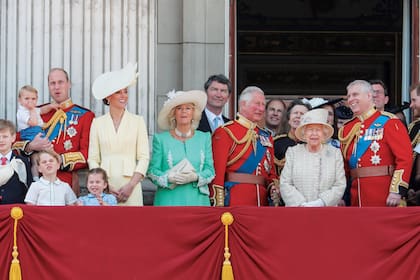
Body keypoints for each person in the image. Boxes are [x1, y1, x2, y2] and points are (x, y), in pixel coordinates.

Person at [13, 68, 95, 195]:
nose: (57, 87)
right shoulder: (35, 111)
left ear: (69, 84)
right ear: (48, 86)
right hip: (35, 183)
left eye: (60, 82)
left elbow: (87, 154)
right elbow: (12, 143)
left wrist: (58, 160)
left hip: (64, 182)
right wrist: (30, 146)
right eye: (52, 83)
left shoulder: (85, 116)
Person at [338, 80, 412, 207]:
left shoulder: (389, 122)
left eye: (355, 95)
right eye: (349, 96)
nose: (350, 99)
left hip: (384, 196)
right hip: (356, 197)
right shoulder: (347, 129)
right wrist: (341, 196)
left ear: (368, 96)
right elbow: (343, 168)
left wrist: (396, 191)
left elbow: (405, 158)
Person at [88, 62, 150, 206]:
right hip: (105, 187)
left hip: (131, 185)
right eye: (118, 92)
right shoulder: (97, 123)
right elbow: (93, 158)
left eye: (126, 91)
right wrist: (103, 185)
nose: (123, 96)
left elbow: (144, 157)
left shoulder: (138, 121)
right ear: (108, 97)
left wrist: (131, 185)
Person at [211, 86, 277, 206]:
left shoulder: (266, 136)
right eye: (257, 104)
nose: (261, 108)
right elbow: (217, 172)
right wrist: (217, 203)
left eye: (263, 104)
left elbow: (271, 172)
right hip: (235, 200)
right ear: (243, 104)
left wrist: (273, 187)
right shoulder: (226, 132)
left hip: (262, 203)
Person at [147, 90, 215, 206]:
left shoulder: (204, 138)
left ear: (194, 113)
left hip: (198, 201)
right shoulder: (161, 139)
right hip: (168, 201)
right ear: (173, 113)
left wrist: (195, 176)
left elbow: (210, 171)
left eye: (188, 108)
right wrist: (168, 177)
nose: (184, 112)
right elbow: (152, 171)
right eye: (179, 108)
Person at [280, 109, 346, 206]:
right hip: (298, 211)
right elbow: (285, 183)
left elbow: (340, 184)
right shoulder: (293, 152)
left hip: (327, 212)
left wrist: (321, 202)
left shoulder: (335, 153)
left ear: (324, 134)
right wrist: (301, 204)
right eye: (310, 130)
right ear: (304, 133)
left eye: (318, 130)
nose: (314, 134)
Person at [16, 85, 59, 181]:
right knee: (48, 148)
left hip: (36, 131)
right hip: (30, 132)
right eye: (26, 98)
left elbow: (42, 110)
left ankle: (36, 178)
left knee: (35, 158)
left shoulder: (34, 109)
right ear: (20, 100)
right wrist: (32, 110)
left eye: (33, 99)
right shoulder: (22, 111)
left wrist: (50, 106)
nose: (30, 101)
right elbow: (33, 123)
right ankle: (57, 159)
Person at [273, 99, 311, 175]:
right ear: (289, 119)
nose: (298, 116)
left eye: (302, 114)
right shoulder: (277, 142)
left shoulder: (313, 143)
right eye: (295, 113)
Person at [0, 120, 32, 204]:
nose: (1, 140)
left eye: (5, 136)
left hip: (16, 211)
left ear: (13, 138)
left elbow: (28, 187)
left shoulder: (22, 162)